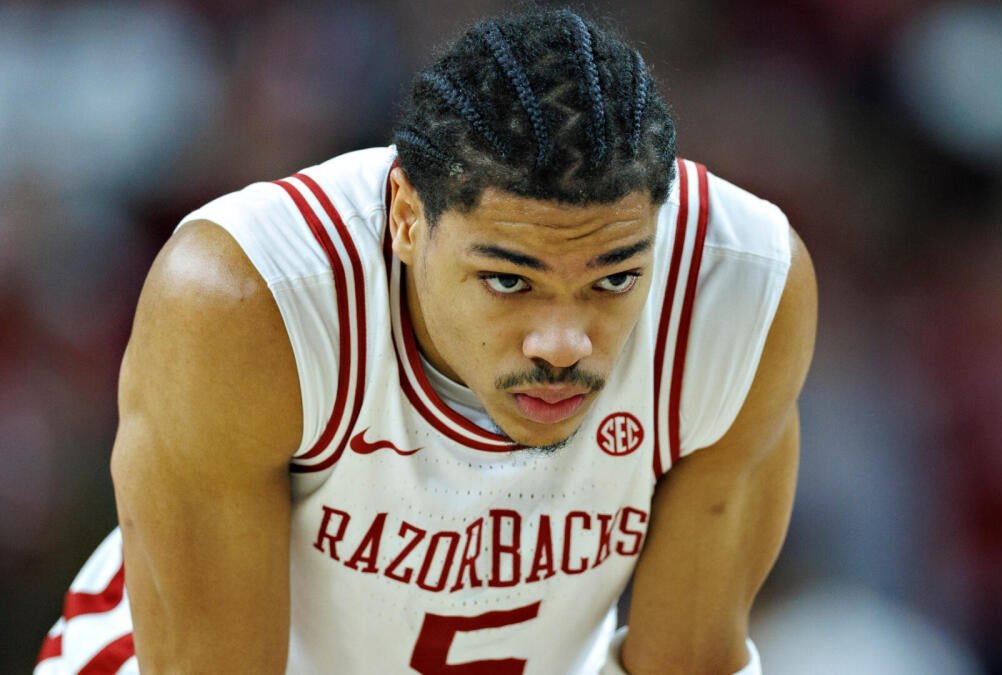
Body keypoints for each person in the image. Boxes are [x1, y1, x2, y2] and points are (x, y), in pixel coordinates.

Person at [35, 9, 816, 674]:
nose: (562, 342)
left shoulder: (738, 292)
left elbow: (685, 661)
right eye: (509, 280)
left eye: (613, 279)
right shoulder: (248, 302)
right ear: (407, 218)